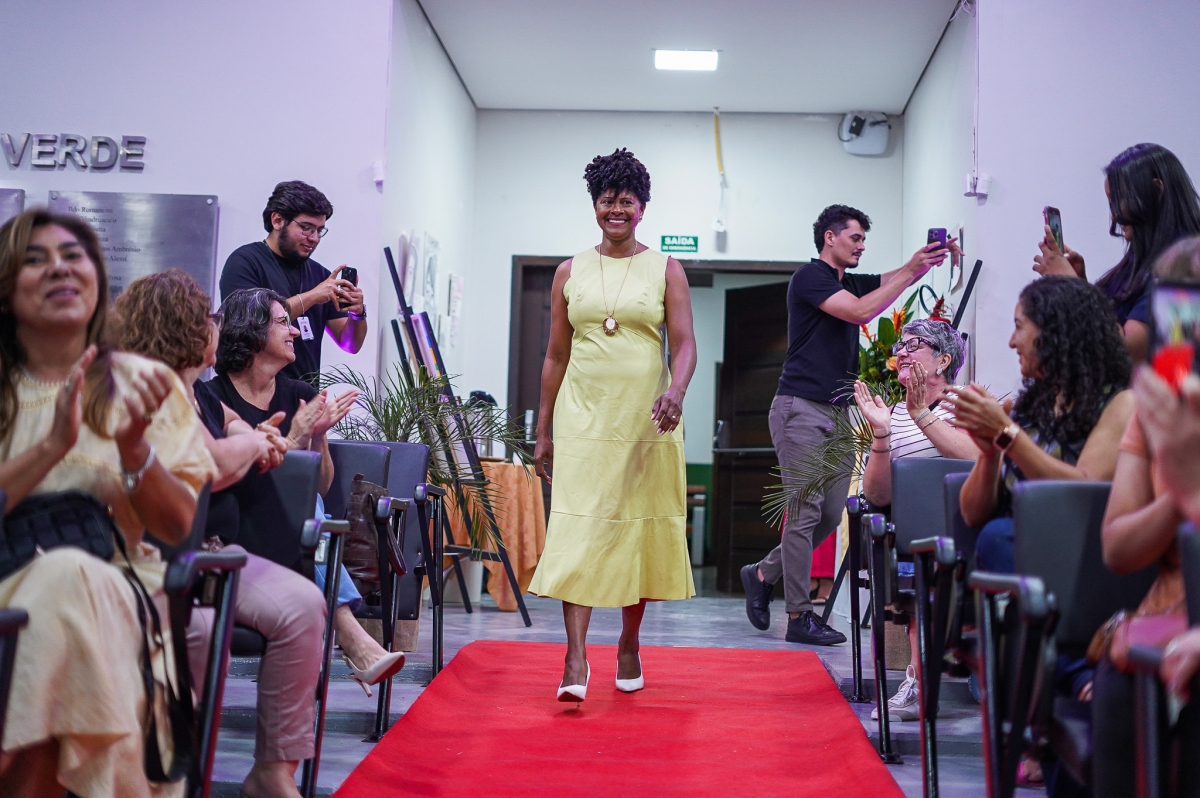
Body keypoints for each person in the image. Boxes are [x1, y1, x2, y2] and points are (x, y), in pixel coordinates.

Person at [0, 209, 214, 797]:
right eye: (35, 259)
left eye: (73, 255)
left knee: (67, 579)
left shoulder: (143, 382)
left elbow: (177, 526)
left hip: (118, 588)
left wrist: (134, 447)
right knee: (59, 595)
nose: (59, 269)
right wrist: (51, 447)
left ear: (96, 276)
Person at [110, 269, 329, 798]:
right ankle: (172, 775)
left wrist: (252, 435)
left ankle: (272, 772)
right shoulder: (154, 390)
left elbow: (229, 428)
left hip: (214, 552)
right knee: (202, 630)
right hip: (160, 558)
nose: (217, 327)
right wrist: (256, 444)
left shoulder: (197, 395)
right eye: (209, 319)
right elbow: (210, 465)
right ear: (182, 329)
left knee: (303, 603)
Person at [948, 276, 1134, 794]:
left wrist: (1008, 435)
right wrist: (989, 452)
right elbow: (972, 513)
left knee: (1002, 537)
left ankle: (1062, 681)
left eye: (1019, 327)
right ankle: (1072, 678)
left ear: (1054, 332)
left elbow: (1082, 489)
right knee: (994, 535)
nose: (1012, 341)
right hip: (1029, 582)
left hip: (1088, 568)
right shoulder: (1030, 406)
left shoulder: (1119, 404)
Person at [741, 204, 955, 645]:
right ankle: (799, 615)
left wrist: (922, 262)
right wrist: (908, 272)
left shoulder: (851, 281)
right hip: (801, 407)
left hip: (837, 411)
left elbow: (887, 283)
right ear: (830, 238)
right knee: (804, 512)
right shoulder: (810, 278)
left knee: (828, 513)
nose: (861, 246)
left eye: (863, 240)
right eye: (855, 238)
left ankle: (762, 573)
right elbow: (860, 312)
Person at [527, 148, 697, 701]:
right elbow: (555, 355)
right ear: (594, 205)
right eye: (607, 200)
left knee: (633, 527)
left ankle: (628, 643)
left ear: (642, 208)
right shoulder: (568, 271)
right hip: (582, 418)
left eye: (626, 201)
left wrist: (676, 390)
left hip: (647, 420)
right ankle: (575, 657)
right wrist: (544, 429)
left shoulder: (666, 269)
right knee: (577, 529)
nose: (616, 210)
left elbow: (685, 344)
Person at [208, 287, 404, 692]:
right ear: (251, 331)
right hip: (239, 527)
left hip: (294, 532)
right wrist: (294, 437)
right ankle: (351, 636)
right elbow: (231, 477)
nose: (296, 331)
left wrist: (317, 437)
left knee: (309, 508)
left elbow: (321, 484)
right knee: (308, 517)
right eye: (284, 322)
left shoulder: (298, 394)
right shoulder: (212, 399)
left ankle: (349, 636)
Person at [1095, 236, 1200, 798]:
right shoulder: (1157, 408)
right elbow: (1117, 549)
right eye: (1177, 307)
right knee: (1123, 684)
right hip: (1163, 625)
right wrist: (1178, 489)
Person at [853, 318, 977, 722]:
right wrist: (881, 434)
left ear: (943, 360)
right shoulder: (891, 413)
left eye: (914, 345)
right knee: (914, 569)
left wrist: (922, 413)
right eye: (900, 346)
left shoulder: (964, 403)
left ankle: (931, 677)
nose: (901, 352)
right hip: (915, 537)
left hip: (965, 528)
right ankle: (920, 682)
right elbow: (878, 496)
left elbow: (974, 459)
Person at [1033, 143, 1200, 363]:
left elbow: (1128, 351)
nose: (1113, 216)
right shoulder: (1142, 258)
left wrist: (1072, 285)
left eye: (1119, 200)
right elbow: (1111, 326)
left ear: (1156, 191)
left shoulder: (1186, 265)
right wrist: (1080, 285)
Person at [219, 180, 367, 382]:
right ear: (277, 220)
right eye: (306, 228)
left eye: (319, 230)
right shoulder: (245, 262)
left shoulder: (320, 274)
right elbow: (248, 326)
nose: (314, 238)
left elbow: (350, 344)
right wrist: (313, 296)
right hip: (254, 393)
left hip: (305, 394)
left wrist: (357, 314)